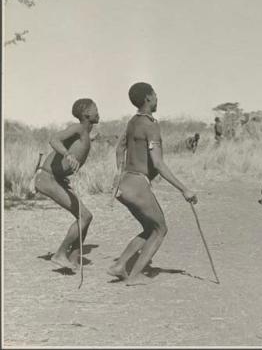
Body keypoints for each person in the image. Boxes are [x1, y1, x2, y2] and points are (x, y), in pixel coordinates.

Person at [108, 83, 198, 285]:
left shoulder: (132, 122)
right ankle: (136, 275)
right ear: (148, 98)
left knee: (150, 228)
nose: (157, 98)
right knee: (161, 229)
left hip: (124, 185)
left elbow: (118, 149)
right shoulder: (151, 125)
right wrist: (185, 189)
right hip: (138, 185)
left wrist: (119, 174)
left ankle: (119, 265)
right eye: (155, 95)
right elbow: (158, 163)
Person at [34, 99, 99, 271]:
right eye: (95, 109)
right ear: (86, 114)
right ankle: (60, 254)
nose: (98, 112)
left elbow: (84, 140)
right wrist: (68, 154)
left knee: (86, 216)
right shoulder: (77, 128)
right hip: (47, 178)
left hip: (55, 179)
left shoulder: (85, 133)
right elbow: (54, 139)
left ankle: (74, 258)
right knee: (84, 216)